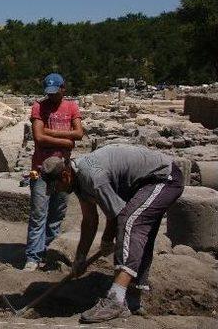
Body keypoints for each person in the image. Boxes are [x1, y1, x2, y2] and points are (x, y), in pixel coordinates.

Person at [40, 144, 184, 323]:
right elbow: (90, 220)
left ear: (65, 175)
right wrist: (80, 257)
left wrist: (107, 239)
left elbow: (116, 215)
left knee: (130, 222)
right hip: (143, 185)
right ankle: (130, 300)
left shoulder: (93, 177)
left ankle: (115, 300)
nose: (57, 190)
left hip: (163, 179)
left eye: (56, 186)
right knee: (139, 233)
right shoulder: (77, 180)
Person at [24, 73, 83, 271]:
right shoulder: (38, 107)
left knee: (57, 214)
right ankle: (33, 256)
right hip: (38, 170)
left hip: (64, 171)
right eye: (48, 93)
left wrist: (50, 132)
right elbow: (39, 138)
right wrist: (67, 141)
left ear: (63, 89)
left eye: (55, 93)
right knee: (38, 213)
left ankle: (49, 252)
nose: (51, 97)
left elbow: (80, 133)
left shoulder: (72, 107)